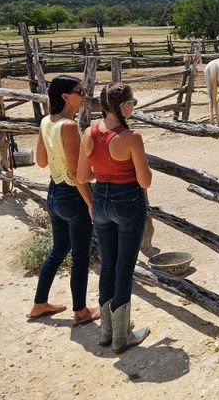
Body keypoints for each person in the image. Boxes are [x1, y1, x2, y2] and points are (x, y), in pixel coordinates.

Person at [77, 83, 151, 353]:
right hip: (127, 202)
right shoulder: (132, 137)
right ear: (121, 107)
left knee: (107, 265)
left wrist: (91, 204)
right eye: (132, 102)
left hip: (101, 202)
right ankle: (122, 335)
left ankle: (106, 331)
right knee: (124, 268)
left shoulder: (90, 133)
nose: (133, 106)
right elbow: (144, 181)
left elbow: (82, 177)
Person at [27, 75, 99, 326]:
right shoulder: (69, 126)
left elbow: (41, 161)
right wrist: (90, 202)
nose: (85, 96)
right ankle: (80, 310)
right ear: (66, 96)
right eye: (80, 92)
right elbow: (77, 173)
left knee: (58, 250)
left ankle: (39, 303)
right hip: (72, 195)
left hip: (54, 192)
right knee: (80, 255)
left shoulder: (46, 121)